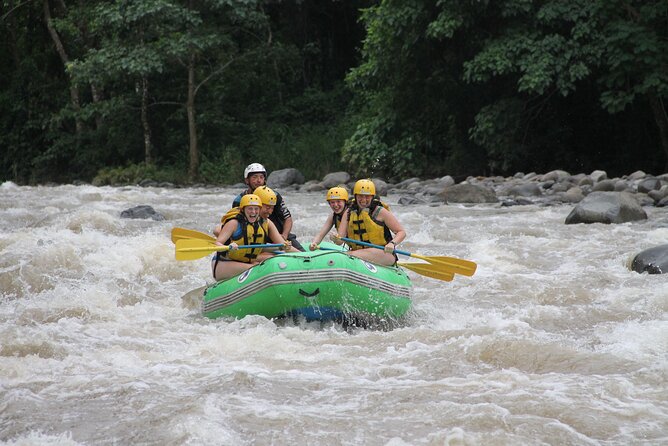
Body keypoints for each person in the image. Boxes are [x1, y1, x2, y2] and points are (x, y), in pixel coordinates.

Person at [212, 194, 290, 281]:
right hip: (224, 263)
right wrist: (229, 246)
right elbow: (217, 244)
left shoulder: (262, 224)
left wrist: (280, 247)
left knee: (269, 261)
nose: (253, 212)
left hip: (245, 261)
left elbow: (258, 248)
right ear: (243, 209)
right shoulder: (233, 223)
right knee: (258, 268)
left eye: (256, 209)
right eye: (250, 208)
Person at [333, 179, 406, 266]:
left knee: (349, 255)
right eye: (360, 196)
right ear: (355, 196)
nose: (363, 199)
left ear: (372, 197)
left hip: (383, 254)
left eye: (367, 196)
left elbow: (401, 232)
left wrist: (392, 244)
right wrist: (335, 238)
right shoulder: (348, 212)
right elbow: (340, 241)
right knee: (347, 255)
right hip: (358, 253)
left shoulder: (380, 211)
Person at [233, 163, 305, 251]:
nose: (258, 180)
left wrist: (284, 236)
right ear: (247, 180)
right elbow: (234, 224)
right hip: (255, 238)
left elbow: (287, 218)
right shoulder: (239, 200)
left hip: (279, 234)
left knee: (302, 254)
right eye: (254, 177)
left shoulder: (274, 196)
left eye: (261, 177)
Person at [309, 186, 349, 251]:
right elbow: (320, 234)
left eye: (338, 201)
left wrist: (334, 238)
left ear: (345, 202)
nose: (335, 205)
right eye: (332, 202)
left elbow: (340, 241)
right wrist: (314, 243)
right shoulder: (333, 216)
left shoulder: (351, 213)